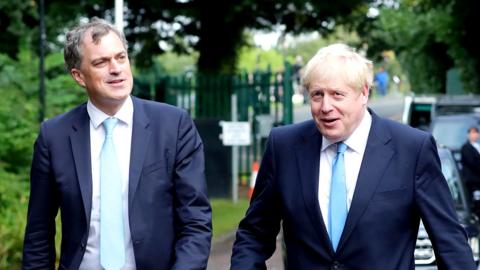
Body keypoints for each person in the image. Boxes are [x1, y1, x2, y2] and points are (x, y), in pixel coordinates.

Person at [230, 43, 475, 269]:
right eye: (317, 95)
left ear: (364, 93)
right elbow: (254, 234)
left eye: (337, 94)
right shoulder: (284, 146)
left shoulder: (412, 148)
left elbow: (449, 241)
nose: (326, 107)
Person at [22, 18, 212, 270]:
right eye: (101, 62)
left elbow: (195, 220)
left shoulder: (173, 125)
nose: (116, 68)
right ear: (79, 76)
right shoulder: (54, 136)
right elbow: (38, 233)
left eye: (120, 57)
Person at [461, 126, 480, 200]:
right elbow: (472, 163)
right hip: (472, 182)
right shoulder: (465, 147)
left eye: (476, 133)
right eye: (472, 133)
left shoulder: (478, 146)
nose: (475, 135)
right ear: (468, 135)